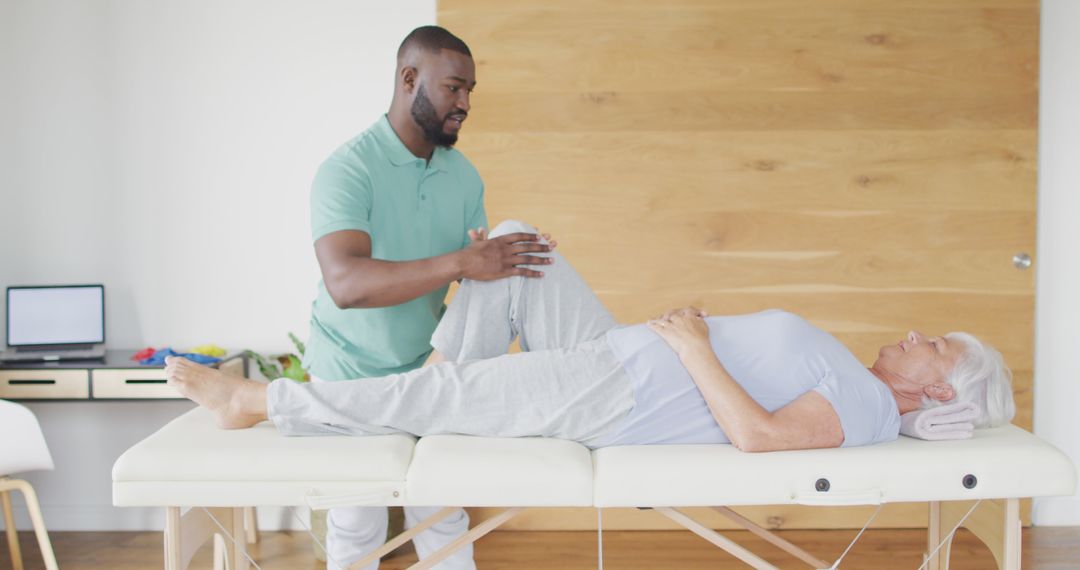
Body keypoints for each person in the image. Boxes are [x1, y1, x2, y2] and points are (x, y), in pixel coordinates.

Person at [167, 220, 1016, 457]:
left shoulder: (867, 408)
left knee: (453, 393)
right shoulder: (861, 381)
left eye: (932, 345)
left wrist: (694, 348)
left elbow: (758, 438)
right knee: (520, 241)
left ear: (936, 392)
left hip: (623, 391)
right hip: (625, 352)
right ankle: (435, 389)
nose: (913, 335)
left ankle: (257, 401)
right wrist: (690, 336)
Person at [304, 26, 551, 570]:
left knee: (443, 515)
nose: (464, 104)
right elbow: (345, 285)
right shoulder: (347, 170)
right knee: (358, 522)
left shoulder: (462, 177)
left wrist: (517, 264)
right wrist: (464, 263)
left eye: (470, 92)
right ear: (408, 79)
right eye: (453, 88)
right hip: (348, 373)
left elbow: (472, 279)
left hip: (427, 368)